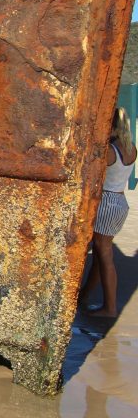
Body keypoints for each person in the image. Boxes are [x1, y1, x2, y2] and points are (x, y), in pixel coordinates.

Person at [79, 107, 136, 318]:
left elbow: (92, 171)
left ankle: (110, 308)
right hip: (121, 201)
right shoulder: (131, 149)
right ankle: (85, 296)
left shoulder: (110, 151)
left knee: (104, 254)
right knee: (103, 252)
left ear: (111, 126)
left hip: (107, 202)